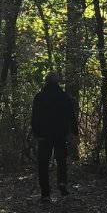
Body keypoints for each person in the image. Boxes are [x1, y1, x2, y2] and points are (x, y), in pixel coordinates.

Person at [30, 71, 78, 201]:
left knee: (43, 164)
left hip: (44, 135)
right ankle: (62, 182)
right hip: (60, 134)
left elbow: (34, 117)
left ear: (45, 82)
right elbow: (71, 115)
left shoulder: (39, 96)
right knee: (61, 159)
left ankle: (45, 193)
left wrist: (37, 133)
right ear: (57, 81)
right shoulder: (63, 96)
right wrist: (74, 132)